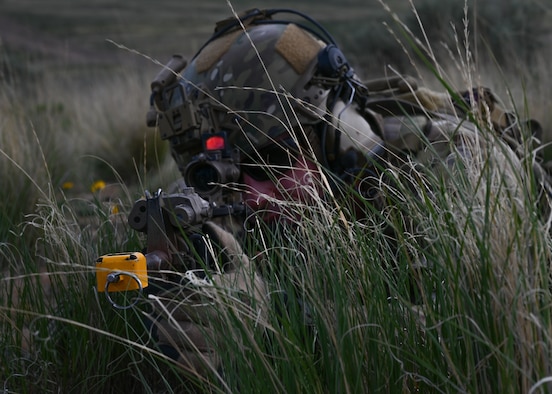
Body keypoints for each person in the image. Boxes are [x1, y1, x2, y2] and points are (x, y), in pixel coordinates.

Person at [141, 7, 548, 377]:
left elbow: (482, 337)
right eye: (220, 173)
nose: (253, 195)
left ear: (339, 132)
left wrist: (276, 321)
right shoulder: (210, 198)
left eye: (274, 160)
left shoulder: (461, 164)